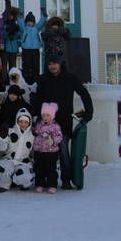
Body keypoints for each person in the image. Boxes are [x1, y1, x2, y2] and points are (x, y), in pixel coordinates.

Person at [34, 57, 93, 189]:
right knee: (44, 154)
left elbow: (84, 93)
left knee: (63, 152)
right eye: (49, 63)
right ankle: (43, 181)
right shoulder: (43, 79)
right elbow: (38, 99)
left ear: (60, 64)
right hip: (46, 123)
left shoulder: (70, 78)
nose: (52, 66)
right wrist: (38, 117)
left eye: (55, 63)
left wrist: (89, 112)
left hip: (64, 122)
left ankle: (66, 180)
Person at [0, 108, 35, 192]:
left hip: (23, 162)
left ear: (29, 123)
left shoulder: (32, 135)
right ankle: (4, 185)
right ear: (17, 121)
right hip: (8, 160)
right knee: (4, 170)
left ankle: (20, 182)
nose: (23, 124)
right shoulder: (9, 131)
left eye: (26, 122)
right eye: (21, 121)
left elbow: (34, 151)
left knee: (26, 178)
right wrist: (2, 137)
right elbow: (0, 147)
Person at [33, 103, 63, 194]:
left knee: (51, 169)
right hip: (39, 150)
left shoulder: (55, 126)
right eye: (44, 115)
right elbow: (35, 132)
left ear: (52, 116)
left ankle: (52, 185)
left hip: (51, 152)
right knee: (39, 168)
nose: (45, 117)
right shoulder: (39, 124)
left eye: (47, 115)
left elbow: (59, 137)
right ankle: (39, 184)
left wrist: (53, 141)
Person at [18, 8, 47, 84]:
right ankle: (26, 80)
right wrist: (20, 16)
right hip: (26, 49)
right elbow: (20, 23)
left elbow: (41, 22)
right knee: (26, 65)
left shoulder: (36, 28)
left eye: (31, 22)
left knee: (35, 65)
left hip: (35, 50)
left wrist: (44, 15)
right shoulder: (24, 28)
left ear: (34, 22)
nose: (29, 23)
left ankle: (35, 80)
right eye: (28, 21)